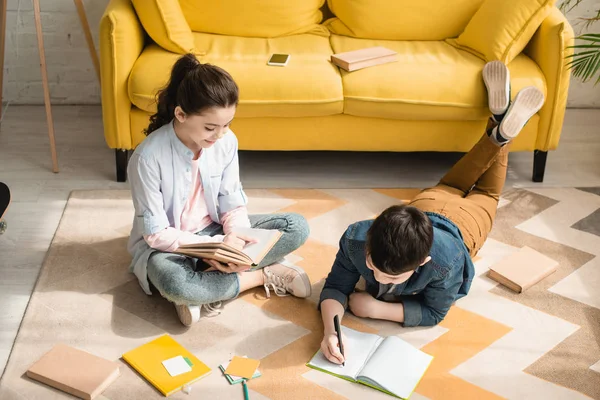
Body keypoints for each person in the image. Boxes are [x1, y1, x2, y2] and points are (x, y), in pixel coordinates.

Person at [318, 61, 545, 364]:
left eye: (391, 275)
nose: (376, 275)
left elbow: (435, 312)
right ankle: (498, 130)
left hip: (465, 225)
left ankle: (499, 131)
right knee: (453, 183)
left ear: (423, 262)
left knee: (484, 192)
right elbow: (334, 287)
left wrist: (378, 310)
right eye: (373, 265)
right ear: (371, 236)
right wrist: (329, 332)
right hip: (425, 209)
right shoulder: (355, 239)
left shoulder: (443, 263)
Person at [127, 54, 312, 327]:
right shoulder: (148, 158)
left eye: (227, 124)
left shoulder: (226, 142)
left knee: (296, 225)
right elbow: (156, 234)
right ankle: (260, 275)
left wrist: (236, 239)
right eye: (210, 127)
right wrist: (214, 250)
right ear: (180, 114)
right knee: (174, 282)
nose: (220, 135)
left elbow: (231, 201)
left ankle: (205, 288)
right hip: (174, 245)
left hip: (217, 230)